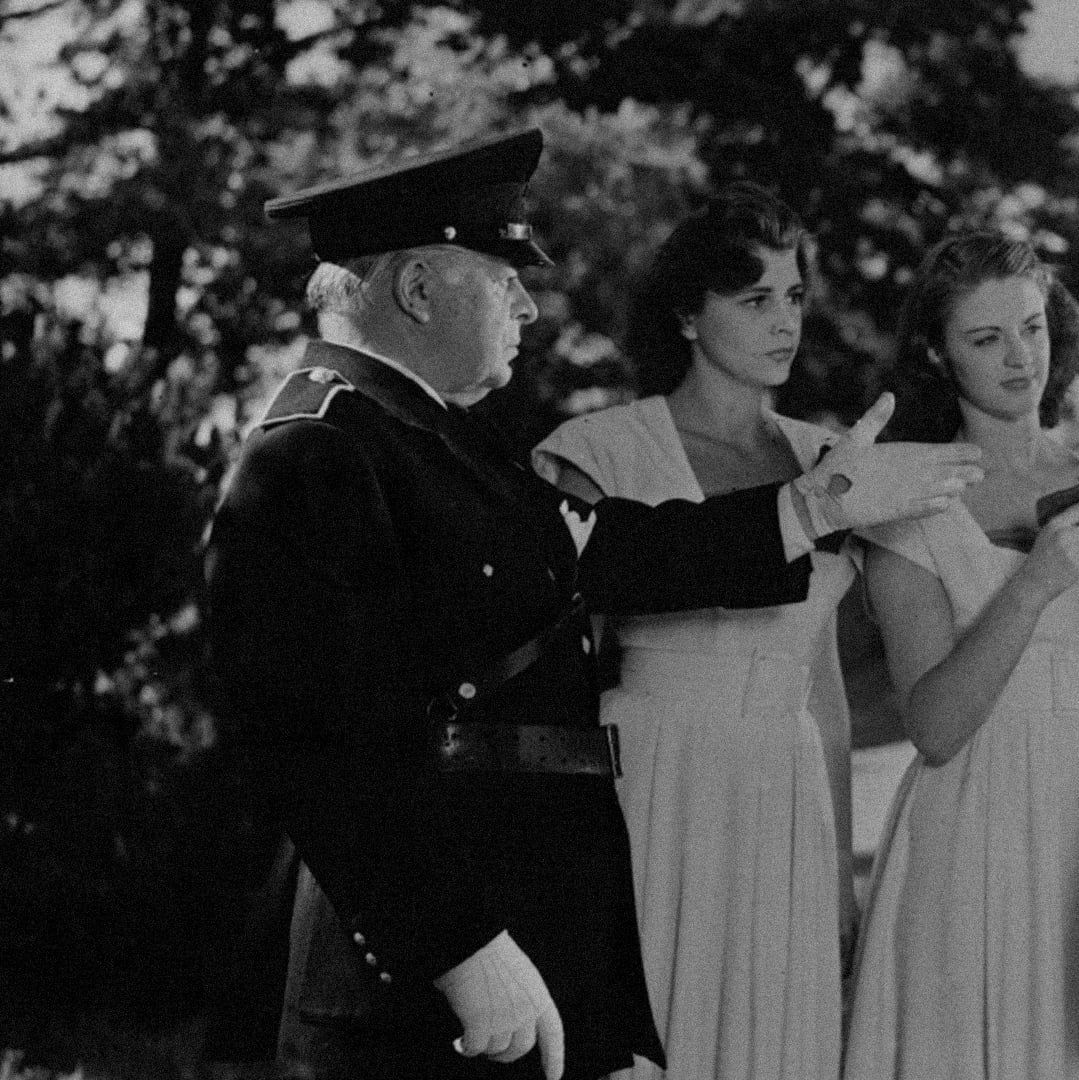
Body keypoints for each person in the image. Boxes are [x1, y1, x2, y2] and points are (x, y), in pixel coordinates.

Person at [204, 128, 982, 1080]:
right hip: (419, 980)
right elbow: (315, 746)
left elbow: (616, 551)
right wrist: (457, 947)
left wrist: (812, 506)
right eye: (503, 280)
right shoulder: (315, 450)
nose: (528, 305)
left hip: (520, 928)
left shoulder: (441, 442)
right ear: (417, 288)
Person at [842, 232, 1079, 1080]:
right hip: (978, 828)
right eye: (985, 338)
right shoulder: (912, 503)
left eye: (1030, 328)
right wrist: (1031, 586)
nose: (1019, 357)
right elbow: (934, 728)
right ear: (937, 353)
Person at [529, 182, 853, 1080]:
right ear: (685, 315)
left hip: (784, 782)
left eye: (794, 296)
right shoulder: (599, 451)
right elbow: (560, 677)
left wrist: (837, 871)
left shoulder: (829, 461)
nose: (784, 321)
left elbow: (825, 685)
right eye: (754, 299)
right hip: (650, 777)